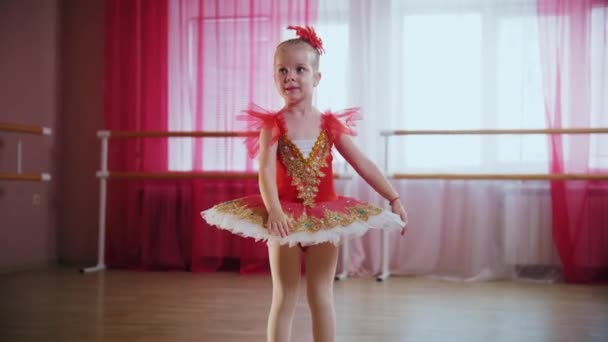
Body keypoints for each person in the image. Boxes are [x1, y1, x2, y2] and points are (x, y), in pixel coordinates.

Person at [202, 25, 408, 342]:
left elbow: (362, 163)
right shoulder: (272, 125)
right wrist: (274, 211)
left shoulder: (329, 125)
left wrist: (393, 197)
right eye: (282, 70)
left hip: (325, 219)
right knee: (284, 297)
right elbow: (266, 171)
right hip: (282, 219)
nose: (290, 77)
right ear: (274, 77)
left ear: (316, 77)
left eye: (300, 69)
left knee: (321, 297)